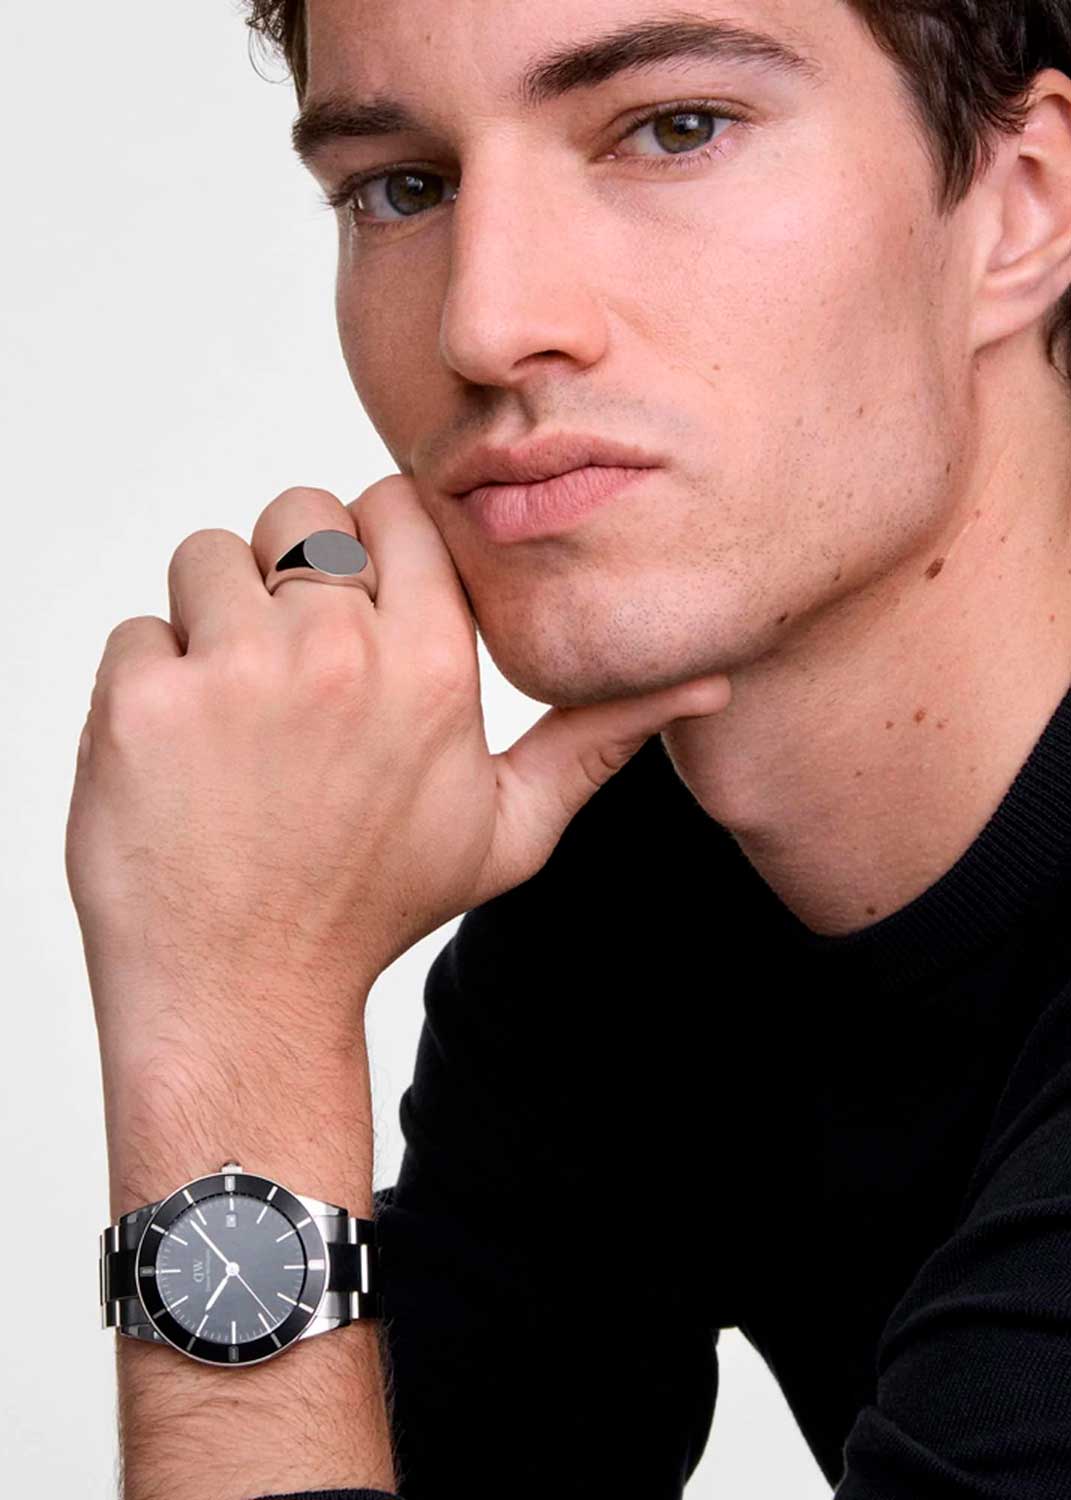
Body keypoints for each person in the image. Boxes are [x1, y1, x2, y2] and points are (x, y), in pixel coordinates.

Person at [69, 1, 1071, 1496]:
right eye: (402, 186)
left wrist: (233, 1019)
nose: (485, 323)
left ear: (1021, 203)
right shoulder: (632, 905)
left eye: (674, 129)